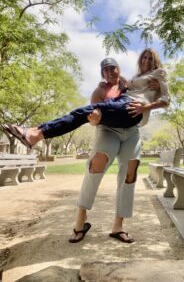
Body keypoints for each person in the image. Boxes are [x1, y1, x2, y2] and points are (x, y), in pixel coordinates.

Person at [68, 49, 170, 244]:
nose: (109, 72)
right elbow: (94, 120)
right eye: (105, 70)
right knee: (95, 168)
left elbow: (153, 94)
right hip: (107, 131)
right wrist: (95, 120)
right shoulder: (99, 91)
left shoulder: (128, 84)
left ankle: (118, 227)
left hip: (132, 131)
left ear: (118, 70)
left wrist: (157, 88)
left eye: (112, 68)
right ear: (102, 74)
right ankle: (80, 222)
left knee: (129, 174)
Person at [2, 51, 170, 150]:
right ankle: (35, 132)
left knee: (81, 112)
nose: (146, 60)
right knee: (81, 113)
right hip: (118, 112)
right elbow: (131, 88)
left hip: (132, 110)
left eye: (150, 58)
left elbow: (166, 99)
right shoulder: (132, 79)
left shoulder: (159, 73)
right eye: (144, 57)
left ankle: (36, 134)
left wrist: (147, 106)